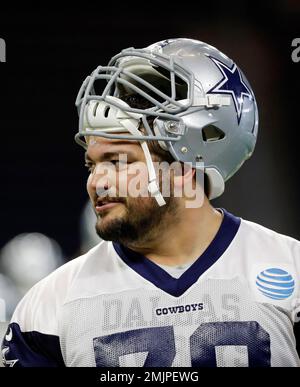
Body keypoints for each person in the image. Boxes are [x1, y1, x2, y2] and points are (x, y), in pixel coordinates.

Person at [2, 38, 299, 367]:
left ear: (186, 167)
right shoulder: (47, 308)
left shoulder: (292, 272)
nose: (96, 181)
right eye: (92, 164)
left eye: (119, 161)